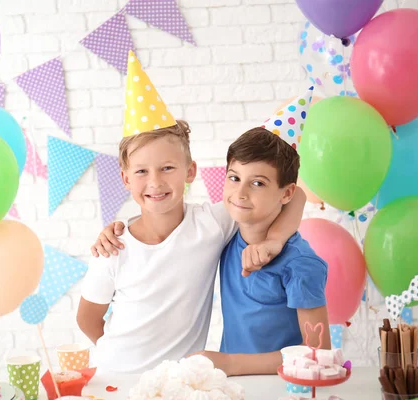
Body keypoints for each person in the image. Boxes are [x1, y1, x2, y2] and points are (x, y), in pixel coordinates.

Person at [76, 51, 307, 374]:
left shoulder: (212, 223)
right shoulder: (113, 247)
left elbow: (296, 197)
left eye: (167, 167)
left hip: (181, 381)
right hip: (118, 378)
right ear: (125, 178)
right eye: (141, 172)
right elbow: (87, 319)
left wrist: (275, 241)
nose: (155, 182)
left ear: (190, 171)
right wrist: (120, 359)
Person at [193, 127, 330, 376]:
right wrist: (118, 230)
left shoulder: (300, 264)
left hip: (282, 389)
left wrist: (230, 364)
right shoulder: (225, 232)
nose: (240, 193)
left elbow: (317, 353)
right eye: (234, 178)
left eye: (258, 183)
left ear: (285, 193)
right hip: (231, 388)